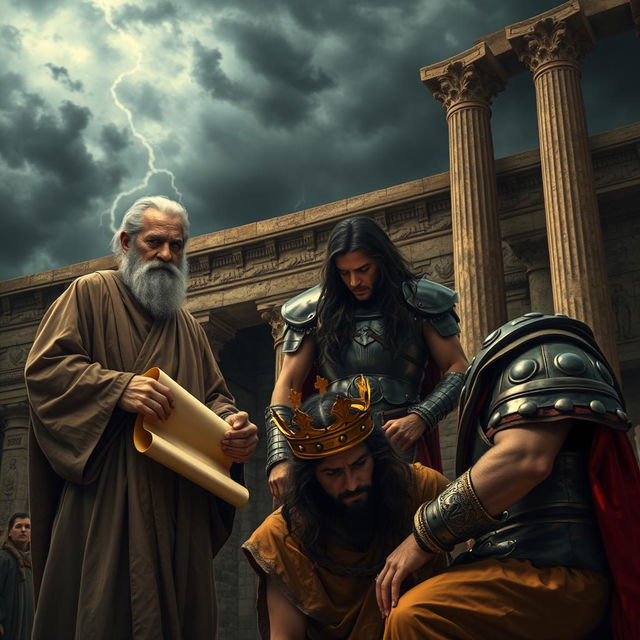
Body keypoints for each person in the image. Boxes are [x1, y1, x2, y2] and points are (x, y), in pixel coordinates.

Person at [24, 196, 259, 639]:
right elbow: (45, 371)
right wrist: (117, 388)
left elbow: (214, 396)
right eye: (156, 243)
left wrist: (233, 426)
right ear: (127, 241)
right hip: (107, 500)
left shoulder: (187, 326)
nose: (167, 255)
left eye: (177, 246)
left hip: (178, 507)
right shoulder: (90, 293)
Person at [377, 313, 640, 640]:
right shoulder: (488, 374)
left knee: (416, 616)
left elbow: (525, 458)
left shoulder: (540, 354)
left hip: (556, 571)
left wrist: (422, 537)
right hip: (513, 566)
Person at [266, 216, 468, 501]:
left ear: (381, 261)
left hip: (398, 438)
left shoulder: (420, 300)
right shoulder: (314, 310)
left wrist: (422, 416)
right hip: (334, 444)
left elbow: (458, 366)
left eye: (363, 269)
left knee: (411, 528)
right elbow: (287, 385)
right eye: (344, 273)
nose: (354, 281)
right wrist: (279, 455)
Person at [243, 378, 449, 639]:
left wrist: (422, 540)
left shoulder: (422, 489)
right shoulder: (280, 537)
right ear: (311, 479)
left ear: (376, 456)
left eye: (360, 464)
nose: (351, 484)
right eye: (333, 473)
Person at [0, 513, 33, 640]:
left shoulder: (31, 563)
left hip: (27, 626)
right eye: (18, 526)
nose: (23, 530)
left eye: (27, 527)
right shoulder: (3, 558)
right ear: (9, 532)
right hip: (7, 627)